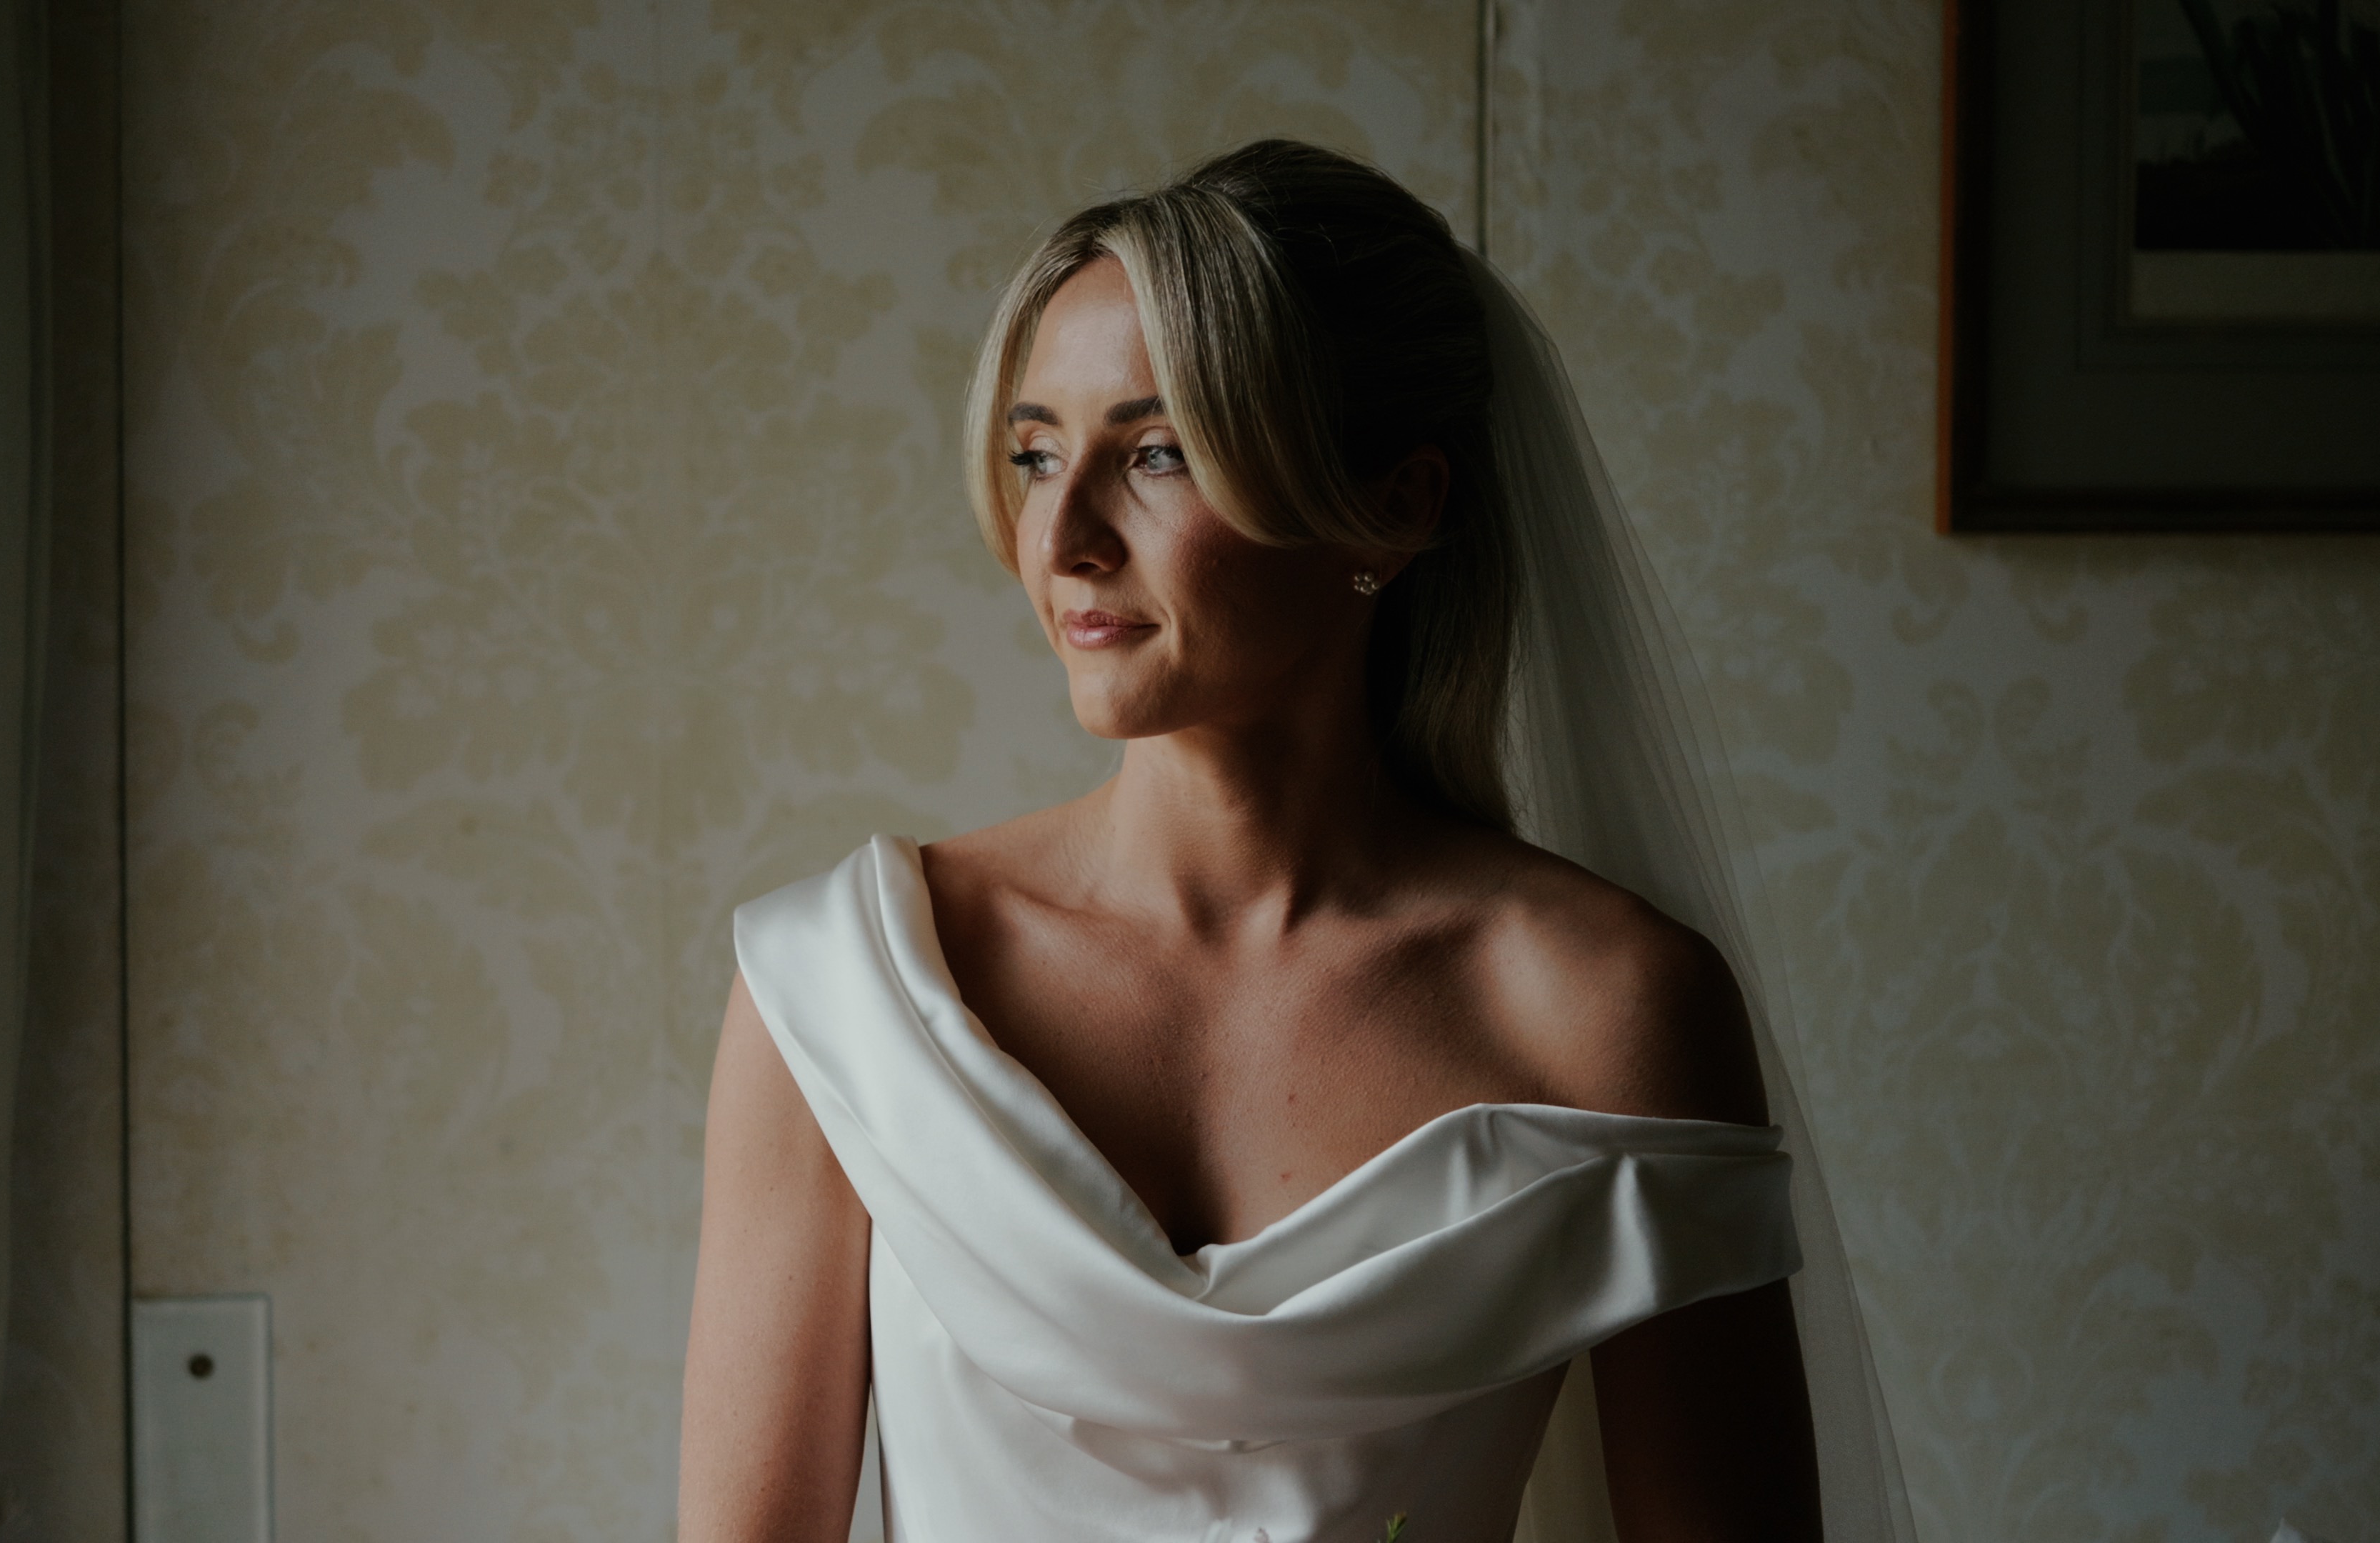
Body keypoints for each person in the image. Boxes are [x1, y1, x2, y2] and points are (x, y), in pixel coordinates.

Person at [676, 140, 1901, 1543]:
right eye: (1033, 451)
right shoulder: (842, 997)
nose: (1060, 535)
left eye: (1154, 453)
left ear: (1397, 504)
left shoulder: (1605, 1009)